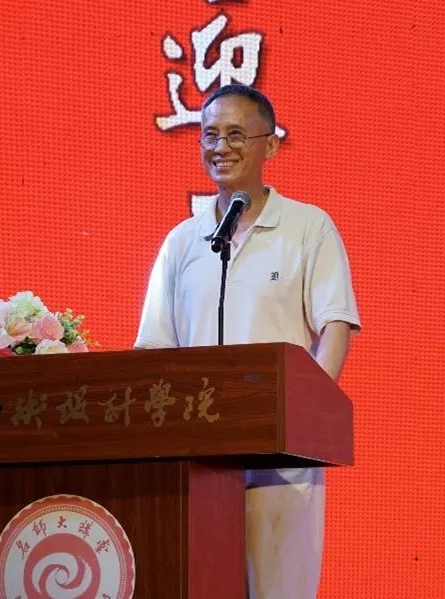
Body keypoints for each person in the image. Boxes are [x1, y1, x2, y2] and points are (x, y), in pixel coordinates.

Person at [134, 83, 361, 598]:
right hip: (193, 460)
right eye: (210, 135)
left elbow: (335, 325)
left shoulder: (307, 227)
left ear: (270, 144)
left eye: (236, 134)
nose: (221, 147)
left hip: (280, 457)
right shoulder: (182, 242)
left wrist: (305, 415)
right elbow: (154, 351)